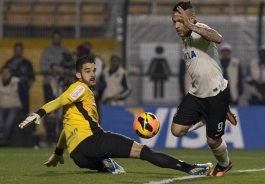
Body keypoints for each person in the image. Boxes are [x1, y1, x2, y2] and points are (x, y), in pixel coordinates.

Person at [19, 55, 212, 175]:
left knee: (100, 158)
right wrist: (40, 112)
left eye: (94, 70)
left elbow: (66, 128)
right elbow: (59, 99)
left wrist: (58, 152)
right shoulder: (80, 88)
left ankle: (105, 163)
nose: (92, 74)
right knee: (144, 152)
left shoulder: (77, 101)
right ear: (78, 75)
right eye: (87, 71)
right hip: (94, 142)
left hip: (78, 156)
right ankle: (190, 168)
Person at [171, 1, 234, 176]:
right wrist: (186, 26)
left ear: (191, 19)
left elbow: (218, 38)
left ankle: (224, 164)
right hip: (196, 94)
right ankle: (208, 118)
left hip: (216, 94)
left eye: (180, 21)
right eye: (174, 22)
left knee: (212, 141)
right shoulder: (185, 40)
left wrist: (191, 25)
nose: (176, 26)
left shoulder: (199, 30)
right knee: (176, 131)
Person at [4, 42, 35, 114]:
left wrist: (26, 86)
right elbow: (4, 76)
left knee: (23, 112)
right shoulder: (9, 63)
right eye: (16, 50)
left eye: (19, 50)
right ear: (14, 51)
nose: (18, 52)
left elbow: (32, 77)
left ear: (22, 51)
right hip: (11, 92)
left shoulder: (27, 63)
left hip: (23, 91)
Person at [40, 30, 70, 103]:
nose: (56, 39)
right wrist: (53, 70)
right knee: (48, 107)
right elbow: (42, 67)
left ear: (61, 39)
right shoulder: (46, 51)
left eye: (58, 37)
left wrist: (63, 72)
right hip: (49, 82)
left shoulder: (66, 51)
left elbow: (70, 66)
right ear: (52, 39)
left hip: (63, 83)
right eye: (55, 38)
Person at [0, 66, 27, 144]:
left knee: (9, 121)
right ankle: (2, 137)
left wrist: (25, 110)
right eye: (3, 73)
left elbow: (24, 97)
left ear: (10, 74)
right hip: (2, 107)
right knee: (0, 121)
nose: (5, 75)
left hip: (15, 107)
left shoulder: (17, 82)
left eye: (7, 73)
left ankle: (4, 139)